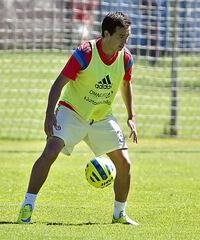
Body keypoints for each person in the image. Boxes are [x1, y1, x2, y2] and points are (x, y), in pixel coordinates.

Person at [17, 12, 139, 226]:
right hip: (72, 112)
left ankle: (119, 214)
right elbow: (58, 84)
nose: (124, 41)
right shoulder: (85, 53)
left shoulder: (126, 57)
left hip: (101, 117)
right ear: (106, 33)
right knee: (50, 151)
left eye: (127, 37)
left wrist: (131, 116)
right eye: (121, 36)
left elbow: (126, 84)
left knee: (125, 163)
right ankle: (27, 206)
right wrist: (49, 114)